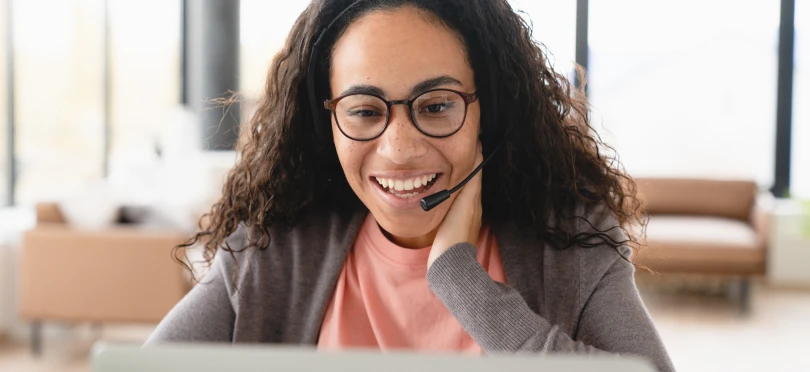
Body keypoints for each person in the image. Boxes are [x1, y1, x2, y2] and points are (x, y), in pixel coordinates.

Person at [146, 1, 675, 371]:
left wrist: (459, 280)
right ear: (326, 121)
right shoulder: (270, 249)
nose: (399, 148)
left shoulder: (570, 245)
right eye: (364, 111)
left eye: (437, 105)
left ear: (485, 109)